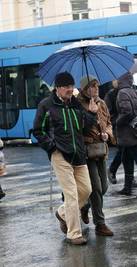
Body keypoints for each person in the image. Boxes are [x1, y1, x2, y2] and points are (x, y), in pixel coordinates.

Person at [33, 72, 95, 245]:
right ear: (58, 88)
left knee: (86, 190)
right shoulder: (46, 105)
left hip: (79, 154)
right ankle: (74, 234)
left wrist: (92, 113)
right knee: (71, 194)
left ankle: (62, 213)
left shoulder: (76, 104)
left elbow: (86, 125)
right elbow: (38, 130)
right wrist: (52, 147)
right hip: (60, 154)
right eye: (66, 87)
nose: (70, 90)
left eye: (71, 86)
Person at [77, 76, 114, 236]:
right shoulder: (78, 104)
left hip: (102, 149)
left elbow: (109, 122)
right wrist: (90, 113)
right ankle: (100, 224)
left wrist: (107, 133)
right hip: (88, 151)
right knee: (96, 188)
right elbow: (79, 128)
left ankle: (84, 207)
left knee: (104, 187)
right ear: (85, 89)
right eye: (92, 86)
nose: (96, 88)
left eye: (97, 86)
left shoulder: (102, 102)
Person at [104, 80, 121, 184]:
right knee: (123, 149)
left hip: (126, 125)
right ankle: (112, 170)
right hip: (117, 124)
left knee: (128, 151)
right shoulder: (110, 94)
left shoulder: (129, 91)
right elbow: (108, 111)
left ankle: (130, 178)